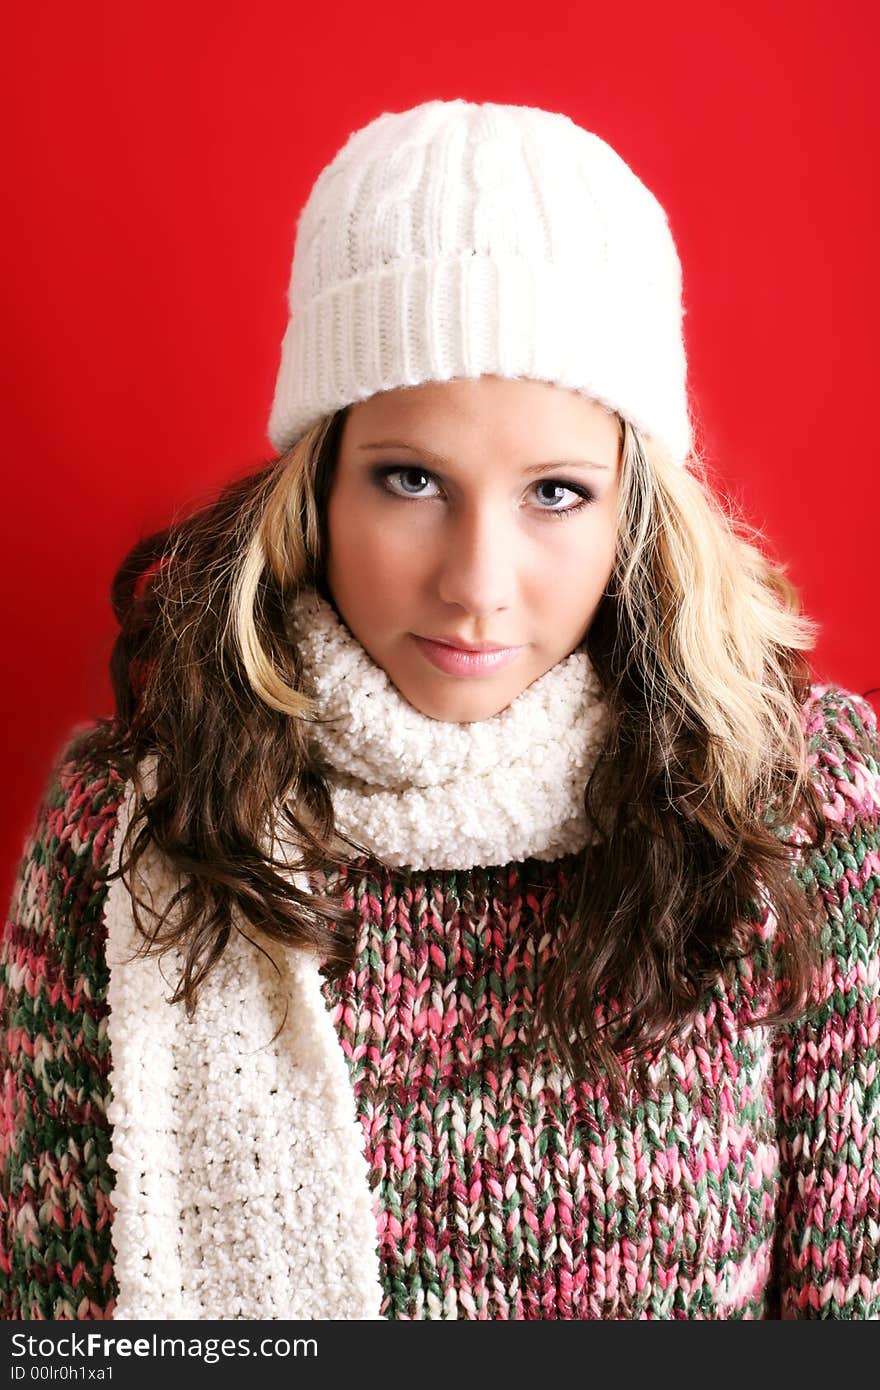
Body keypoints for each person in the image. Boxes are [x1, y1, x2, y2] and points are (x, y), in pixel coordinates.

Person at [1, 97, 878, 1322]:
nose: (475, 584)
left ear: (636, 507)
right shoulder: (126, 834)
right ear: (318, 482)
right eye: (410, 479)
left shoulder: (792, 803)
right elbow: (54, 1327)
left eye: (556, 493)